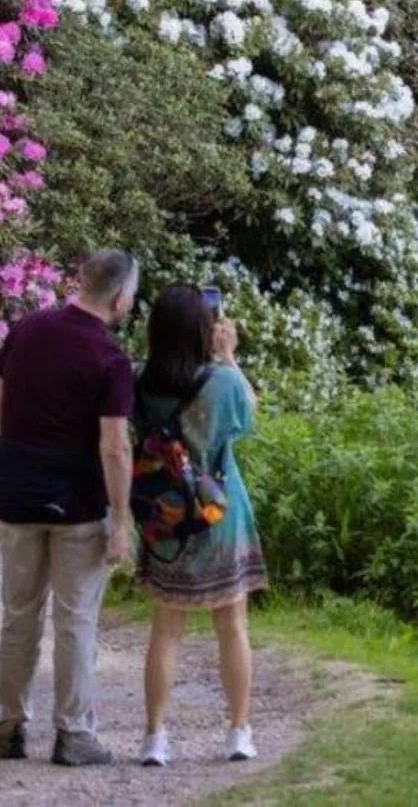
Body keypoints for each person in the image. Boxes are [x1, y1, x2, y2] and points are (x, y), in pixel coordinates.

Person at [0, 248, 138, 767]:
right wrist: (122, 519)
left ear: (81, 280)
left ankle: (9, 725)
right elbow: (114, 445)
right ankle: (73, 733)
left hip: (18, 487)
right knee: (75, 620)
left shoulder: (26, 329)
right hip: (76, 500)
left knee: (18, 614)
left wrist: (13, 440)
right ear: (119, 298)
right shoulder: (110, 358)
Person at [132, 285, 267, 766]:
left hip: (165, 516)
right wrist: (229, 357)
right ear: (203, 333)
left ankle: (154, 737)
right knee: (232, 625)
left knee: (165, 630)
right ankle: (238, 731)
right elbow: (248, 419)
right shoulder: (222, 383)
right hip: (218, 515)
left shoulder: (138, 382)